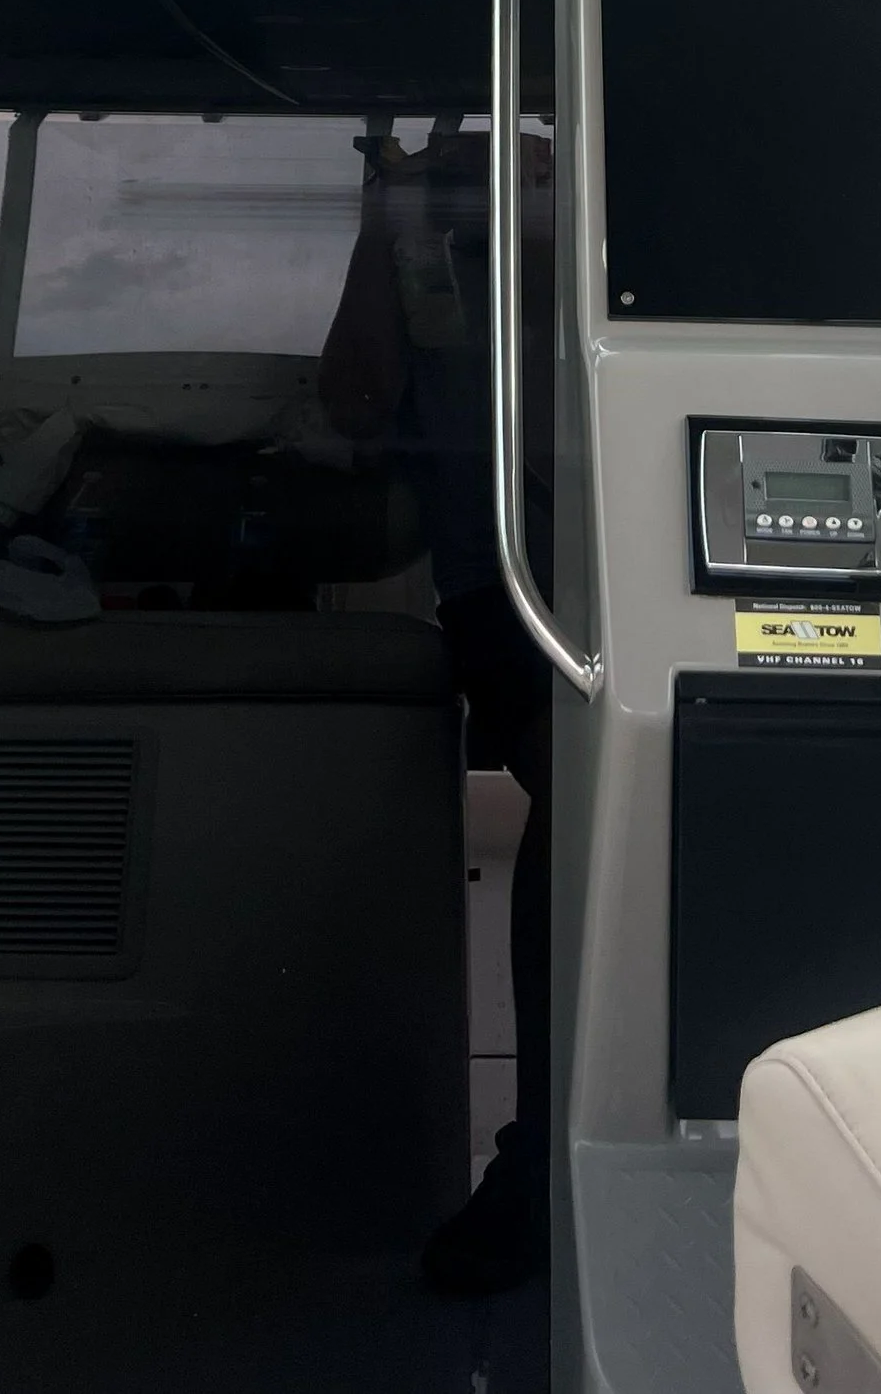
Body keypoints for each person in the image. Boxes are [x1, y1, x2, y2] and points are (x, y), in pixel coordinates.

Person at [318, 113, 556, 1296]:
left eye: (522, 144)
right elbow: (354, 401)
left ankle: (553, 1155)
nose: (491, 165)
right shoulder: (418, 253)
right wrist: (392, 226)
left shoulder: (608, 229)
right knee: (571, 786)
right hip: (504, 581)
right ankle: (544, 1160)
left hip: (652, 548)